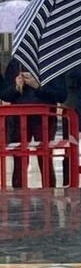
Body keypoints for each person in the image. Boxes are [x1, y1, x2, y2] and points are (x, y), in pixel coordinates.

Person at [1, 58, 68, 187]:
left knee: (45, 158)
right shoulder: (16, 63)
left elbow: (62, 94)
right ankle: (18, 194)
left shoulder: (52, 61)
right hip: (19, 118)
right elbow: (4, 94)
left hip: (45, 118)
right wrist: (16, 87)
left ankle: (49, 192)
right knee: (19, 160)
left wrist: (38, 87)